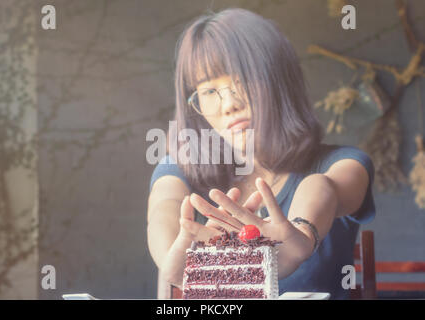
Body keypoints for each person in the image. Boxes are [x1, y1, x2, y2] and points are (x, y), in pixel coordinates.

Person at [146, 8, 375, 299]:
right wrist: (176, 264)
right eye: (208, 91)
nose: (228, 104)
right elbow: (163, 210)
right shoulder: (178, 171)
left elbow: (321, 186)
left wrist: (301, 234)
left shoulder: (345, 163)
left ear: (279, 80)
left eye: (240, 80)